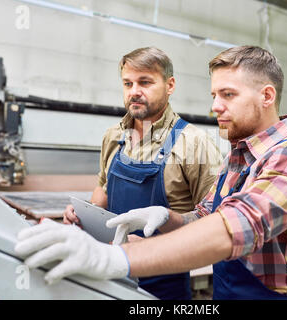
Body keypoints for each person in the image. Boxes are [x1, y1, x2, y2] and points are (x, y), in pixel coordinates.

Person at [15, 45, 287, 300]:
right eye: (214, 96)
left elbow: (238, 226)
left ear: (266, 96)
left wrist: (114, 259)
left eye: (228, 95)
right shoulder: (239, 154)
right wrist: (167, 217)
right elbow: (208, 216)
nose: (216, 107)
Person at [60, 47, 222, 300]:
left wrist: (154, 243)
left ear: (170, 85)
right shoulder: (114, 135)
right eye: (128, 83)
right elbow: (103, 187)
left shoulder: (194, 143)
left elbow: (215, 220)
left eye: (145, 82)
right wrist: (84, 214)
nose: (134, 91)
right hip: (109, 272)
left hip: (164, 285)